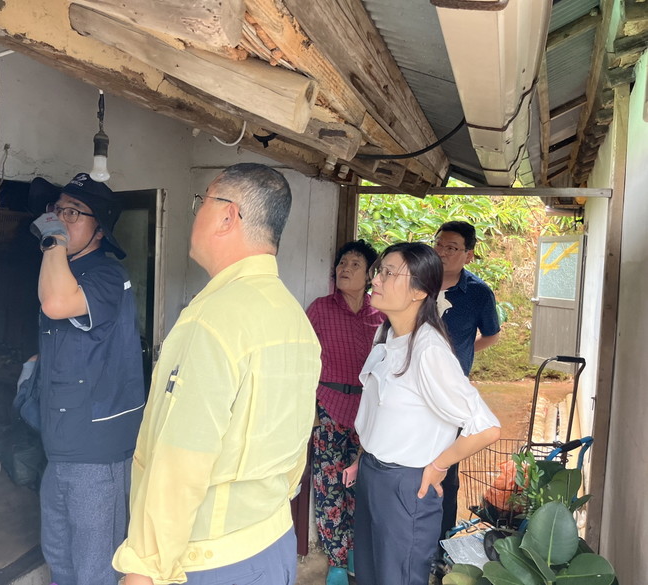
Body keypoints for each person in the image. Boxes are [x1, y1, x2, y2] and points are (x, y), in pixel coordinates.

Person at [112, 163, 322, 585]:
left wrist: (145, 567)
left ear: (228, 215)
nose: (196, 213)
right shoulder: (294, 318)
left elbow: (181, 460)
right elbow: (297, 442)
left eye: (201, 201)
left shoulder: (212, 320)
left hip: (213, 558)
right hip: (274, 539)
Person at [353, 242, 500, 585]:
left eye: (390, 273)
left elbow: (486, 427)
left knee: (399, 578)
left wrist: (439, 465)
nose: (377, 279)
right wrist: (364, 456)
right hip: (373, 474)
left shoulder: (428, 349)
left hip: (406, 485)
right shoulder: (386, 335)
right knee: (369, 575)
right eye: (379, 270)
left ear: (419, 291)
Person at [25, 172, 146, 585]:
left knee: (95, 569)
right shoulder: (61, 268)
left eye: (74, 212)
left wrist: (53, 240)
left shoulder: (109, 274)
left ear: (100, 230)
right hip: (61, 447)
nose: (61, 218)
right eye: (57, 209)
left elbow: (57, 303)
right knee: (60, 559)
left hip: (97, 453)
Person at [306, 239, 384, 585]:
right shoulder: (320, 309)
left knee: (362, 485)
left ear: (369, 275)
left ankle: (356, 552)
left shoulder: (380, 315)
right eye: (342, 263)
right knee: (328, 487)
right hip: (329, 406)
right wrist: (310, 407)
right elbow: (304, 358)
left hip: (369, 412)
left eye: (354, 264)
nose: (345, 269)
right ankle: (336, 561)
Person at [432, 221, 501, 555]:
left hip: (451, 395)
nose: (442, 252)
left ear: (469, 255)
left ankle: (441, 546)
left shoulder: (478, 293)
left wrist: (463, 352)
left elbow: (491, 335)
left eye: (452, 248)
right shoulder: (418, 280)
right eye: (439, 244)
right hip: (411, 391)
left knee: (446, 470)